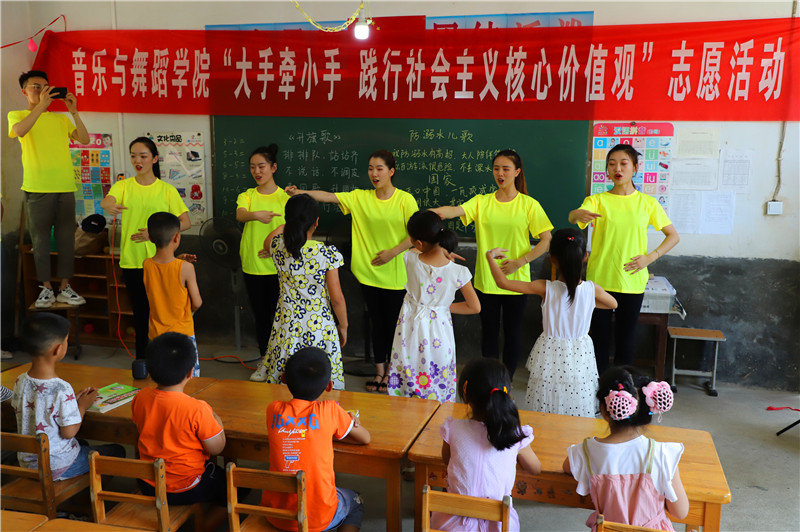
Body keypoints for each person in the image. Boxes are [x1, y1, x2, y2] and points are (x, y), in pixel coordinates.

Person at [285, 150, 418, 392]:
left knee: (393, 326)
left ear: (391, 171)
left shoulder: (405, 200)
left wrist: (393, 252)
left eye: (379, 168)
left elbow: (415, 234)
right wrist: (299, 193)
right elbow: (329, 197)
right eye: (370, 168)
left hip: (396, 274)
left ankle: (393, 372)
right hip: (368, 274)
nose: (374, 174)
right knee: (376, 324)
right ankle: (380, 372)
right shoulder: (360, 197)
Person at [432, 150, 553, 379]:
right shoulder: (482, 202)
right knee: (488, 332)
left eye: (506, 169)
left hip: (516, 282)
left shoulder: (528, 204)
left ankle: (506, 380)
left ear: (517, 172)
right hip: (486, 281)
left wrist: (520, 262)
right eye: (496, 168)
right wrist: (436, 213)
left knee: (513, 333)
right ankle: (491, 380)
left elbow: (546, 240)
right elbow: (456, 210)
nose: (500, 173)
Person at [569, 144, 680, 374]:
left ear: (635, 168)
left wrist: (650, 258)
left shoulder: (648, 203)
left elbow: (673, 236)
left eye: (623, 163)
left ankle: (620, 388)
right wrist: (577, 214)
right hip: (600, 280)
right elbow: (573, 217)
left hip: (632, 281)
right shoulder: (597, 200)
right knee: (598, 339)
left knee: (626, 340)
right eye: (611, 164)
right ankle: (598, 387)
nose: (617, 169)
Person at [486, 228, 618, 417]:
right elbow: (613, 304)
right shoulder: (592, 289)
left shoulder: (545, 287)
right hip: (581, 352)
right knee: (577, 392)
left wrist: (489, 256)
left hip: (551, 351)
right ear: (585, 257)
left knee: (549, 394)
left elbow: (503, 283)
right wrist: (587, 303)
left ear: (552, 258)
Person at [563, 367, 689, 530]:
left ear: (604, 411)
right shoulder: (662, 454)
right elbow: (680, 512)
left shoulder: (586, 451)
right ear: (648, 411)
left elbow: (567, 467)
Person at [131, 332, 237, 521]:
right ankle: (205, 526)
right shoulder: (197, 409)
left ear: (150, 370)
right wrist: (216, 419)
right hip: (187, 487)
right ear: (190, 373)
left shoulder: (141, 397)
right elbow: (217, 448)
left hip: (148, 483)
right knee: (233, 485)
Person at [100, 137, 190, 360]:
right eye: (133, 156)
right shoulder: (123, 186)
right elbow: (107, 201)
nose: (137, 161)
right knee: (141, 314)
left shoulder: (166, 190)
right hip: (133, 261)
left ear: (154, 159)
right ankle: (143, 360)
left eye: (143, 156)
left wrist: (155, 233)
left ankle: (167, 358)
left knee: (164, 313)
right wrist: (108, 204)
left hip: (162, 261)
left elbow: (185, 222)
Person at [265, 347, 370, 532]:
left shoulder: (273, 410)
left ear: (283, 379)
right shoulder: (330, 410)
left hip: (276, 515)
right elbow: (365, 438)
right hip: (318, 518)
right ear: (329, 386)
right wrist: (346, 420)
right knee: (355, 501)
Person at [8, 70, 90, 308]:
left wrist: (73, 111)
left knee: (66, 240)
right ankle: (45, 288)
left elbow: (84, 139)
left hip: (65, 186)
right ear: (24, 91)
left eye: (45, 86)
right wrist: (42, 106)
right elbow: (20, 131)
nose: (42, 90)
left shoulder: (60, 120)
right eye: (36, 86)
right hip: (37, 187)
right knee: (40, 241)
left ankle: (64, 287)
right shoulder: (17, 115)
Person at [431, 358, 541, 532]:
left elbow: (447, 459)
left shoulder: (453, 428)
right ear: (507, 394)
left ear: (465, 392)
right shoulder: (515, 434)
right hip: (499, 525)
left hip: (450, 523)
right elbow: (535, 468)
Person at [11, 313, 125, 480]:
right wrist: (82, 406)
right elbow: (69, 432)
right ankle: (89, 491)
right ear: (58, 349)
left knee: (83, 444)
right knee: (117, 451)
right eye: (66, 341)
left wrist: (70, 402)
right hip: (57, 466)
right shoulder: (62, 388)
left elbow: (36, 407)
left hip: (28, 463)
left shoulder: (20, 380)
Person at [251, 194, 348, 389]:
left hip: (286, 322)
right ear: (316, 222)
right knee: (320, 380)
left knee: (286, 379)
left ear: (287, 220)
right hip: (319, 325)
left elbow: (267, 242)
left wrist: (285, 225)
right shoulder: (326, 253)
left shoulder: (277, 245)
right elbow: (336, 298)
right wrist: (344, 325)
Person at [387, 210, 480, 402]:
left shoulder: (409, 259)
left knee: (407, 367)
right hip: (440, 330)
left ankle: (403, 409)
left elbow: (414, 251)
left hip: (410, 327)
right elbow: (474, 307)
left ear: (419, 243)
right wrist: (443, 307)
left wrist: (440, 251)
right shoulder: (459, 271)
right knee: (437, 371)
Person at [236, 145, 289, 360]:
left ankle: (280, 360)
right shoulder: (247, 195)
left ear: (273, 167)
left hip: (279, 266)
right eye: (252, 167)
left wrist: (274, 248)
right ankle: (265, 360)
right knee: (260, 316)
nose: (256, 171)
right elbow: (241, 215)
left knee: (280, 316)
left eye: (261, 166)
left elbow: (294, 229)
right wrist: (256, 215)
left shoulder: (285, 197)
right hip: (253, 264)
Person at [143, 212, 202, 376]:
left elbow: (164, 272)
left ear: (150, 238)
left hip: (156, 335)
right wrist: (191, 311)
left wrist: (178, 259)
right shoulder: (186, 268)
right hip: (182, 335)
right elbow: (197, 302)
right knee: (188, 379)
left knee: (163, 376)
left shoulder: (147, 265)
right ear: (176, 237)